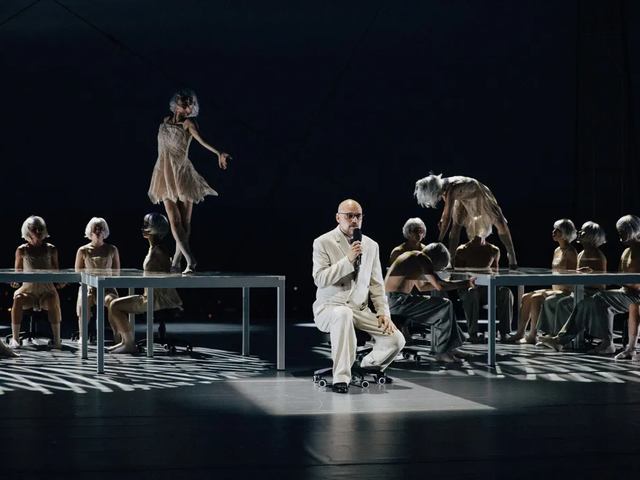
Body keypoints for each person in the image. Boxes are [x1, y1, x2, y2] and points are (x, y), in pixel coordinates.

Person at [312, 199, 405, 393]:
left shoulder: (371, 245)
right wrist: (348, 260)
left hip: (360, 310)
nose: (354, 220)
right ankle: (341, 378)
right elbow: (320, 279)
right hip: (330, 307)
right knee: (343, 313)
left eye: (358, 216)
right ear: (338, 218)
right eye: (349, 216)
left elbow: (376, 284)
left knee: (396, 340)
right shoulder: (323, 242)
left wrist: (383, 313)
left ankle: (367, 366)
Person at [148, 88, 231, 274]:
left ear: (191, 108)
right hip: (164, 174)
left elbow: (201, 139)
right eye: (184, 100)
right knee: (174, 220)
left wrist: (218, 152)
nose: (186, 103)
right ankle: (189, 259)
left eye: (190, 103)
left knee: (184, 222)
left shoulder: (189, 123)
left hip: (182, 173)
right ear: (177, 103)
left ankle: (179, 261)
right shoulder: (165, 121)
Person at [540, 215, 640, 355]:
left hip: (635, 295)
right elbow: (620, 275)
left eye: (622, 231)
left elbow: (635, 283)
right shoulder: (626, 251)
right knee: (584, 303)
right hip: (625, 291)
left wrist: (612, 279)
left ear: (632, 230)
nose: (620, 234)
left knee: (599, 298)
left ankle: (607, 343)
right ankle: (561, 340)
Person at [385, 242, 476, 363]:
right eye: (437, 268)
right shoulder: (422, 258)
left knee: (445, 305)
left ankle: (449, 348)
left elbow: (422, 287)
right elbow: (439, 286)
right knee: (445, 305)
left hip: (396, 300)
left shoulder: (413, 258)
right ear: (435, 261)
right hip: (396, 302)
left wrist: (444, 282)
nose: (435, 270)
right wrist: (467, 283)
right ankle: (441, 352)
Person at [107, 213, 183, 354]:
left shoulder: (159, 250)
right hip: (149, 295)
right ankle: (125, 342)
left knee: (115, 305)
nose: (143, 228)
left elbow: (169, 275)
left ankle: (129, 344)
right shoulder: (152, 249)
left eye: (147, 225)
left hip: (158, 299)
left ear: (156, 228)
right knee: (114, 305)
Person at [414, 174, 518, 269]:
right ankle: (451, 259)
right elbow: (447, 209)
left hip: (478, 193)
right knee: (456, 225)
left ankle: (511, 255)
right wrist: (442, 218)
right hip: (463, 198)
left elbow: (447, 218)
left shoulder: (452, 188)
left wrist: (439, 240)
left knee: (499, 222)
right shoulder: (444, 186)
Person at [506, 219, 578, 344]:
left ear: (565, 232)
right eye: (554, 229)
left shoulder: (571, 252)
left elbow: (573, 276)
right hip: (556, 288)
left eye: (557, 230)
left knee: (536, 298)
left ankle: (532, 335)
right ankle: (520, 332)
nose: (553, 232)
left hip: (566, 290)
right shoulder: (557, 250)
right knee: (526, 296)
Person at [537, 221, 607, 337]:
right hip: (578, 291)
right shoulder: (581, 254)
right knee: (549, 301)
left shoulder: (597, 256)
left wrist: (583, 279)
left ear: (591, 236)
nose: (579, 233)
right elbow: (577, 273)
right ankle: (551, 333)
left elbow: (600, 283)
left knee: (563, 303)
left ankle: (562, 337)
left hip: (591, 293)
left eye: (583, 232)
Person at [454, 221, 513, 343]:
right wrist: (469, 283)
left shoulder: (493, 250)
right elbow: (458, 276)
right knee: (472, 293)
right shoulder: (462, 250)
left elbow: (495, 274)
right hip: (468, 288)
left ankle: (504, 333)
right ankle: (473, 333)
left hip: (487, 288)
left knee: (505, 292)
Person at [10, 216, 63, 349]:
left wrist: (60, 281)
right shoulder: (22, 249)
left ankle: (57, 340)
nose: (38, 232)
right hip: (29, 290)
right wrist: (15, 281)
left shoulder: (51, 249)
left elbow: (56, 271)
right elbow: (17, 272)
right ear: (28, 231)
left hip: (47, 290)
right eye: (34, 229)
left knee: (52, 300)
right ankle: (15, 339)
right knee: (18, 299)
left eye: (40, 228)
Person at [74, 217, 121, 344]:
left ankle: (117, 334)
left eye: (101, 228)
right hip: (88, 286)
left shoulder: (112, 249)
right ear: (90, 231)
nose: (99, 231)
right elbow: (78, 274)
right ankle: (83, 335)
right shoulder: (83, 250)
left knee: (112, 301)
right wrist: (88, 285)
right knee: (85, 299)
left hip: (107, 287)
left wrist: (108, 285)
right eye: (96, 229)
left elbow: (116, 273)